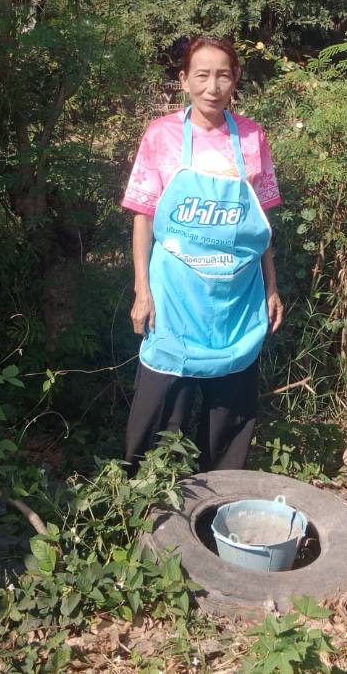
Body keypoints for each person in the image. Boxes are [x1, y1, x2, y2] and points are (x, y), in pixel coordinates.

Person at [121, 35, 285, 471]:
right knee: (158, 413)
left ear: (236, 79)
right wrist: (142, 290)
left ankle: (220, 500)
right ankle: (145, 500)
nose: (212, 87)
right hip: (173, 298)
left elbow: (261, 223)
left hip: (237, 300)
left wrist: (271, 287)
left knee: (228, 419)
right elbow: (143, 217)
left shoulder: (251, 136)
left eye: (223, 76)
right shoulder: (161, 135)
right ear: (184, 80)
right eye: (202, 75)